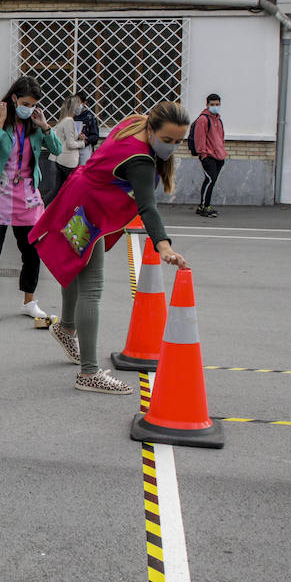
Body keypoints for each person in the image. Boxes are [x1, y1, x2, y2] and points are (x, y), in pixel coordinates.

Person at [29, 102, 190, 395]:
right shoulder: (141, 160)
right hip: (88, 210)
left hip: (79, 201)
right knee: (92, 287)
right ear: (152, 129)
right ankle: (89, 373)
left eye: (179, 141)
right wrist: (163, 245)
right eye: (168, 140)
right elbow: (148, 208)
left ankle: (66, 328)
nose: (172, 147)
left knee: (74, 266)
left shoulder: (136, 121)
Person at [0, 77, 62, 321]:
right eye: (25, 103)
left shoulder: (34, 122)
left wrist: (45, 126)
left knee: (32, 251)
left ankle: (29, 300)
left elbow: (57, 150)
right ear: (14, 98)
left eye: (34, 104)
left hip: (27, 196)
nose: (29, 108)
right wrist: (1, 122)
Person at [45, 95, 87, 204]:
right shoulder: (69, 121)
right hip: (67, 161)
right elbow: (70, 144)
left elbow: (65, 138)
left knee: (57, 189)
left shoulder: (63, 120)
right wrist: (82, 143)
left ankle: (44, 210)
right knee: (69, 189)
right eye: (79, 105)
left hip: (60, 159)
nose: (81, 107)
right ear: (74, 107)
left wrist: (78, 136)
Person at [193, 93, 227, 217]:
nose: (215, 107)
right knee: (210, 180)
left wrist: (222, 152)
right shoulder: (203, 119)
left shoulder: (218, 119)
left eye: (217, 104)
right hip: (208, 156)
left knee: (211, 181)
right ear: (207, 105)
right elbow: (199, 138)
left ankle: (206, 205)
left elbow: (220, 138)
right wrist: (203, 155)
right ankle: (204, 206)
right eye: (212, 104)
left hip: (219, 156)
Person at [74, 92, 101, 164]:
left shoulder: (90, 117)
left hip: (85, 148)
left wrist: (86, 139)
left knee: (84, 169)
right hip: (72, 148)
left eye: (78, 102)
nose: (76, 105)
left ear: (84, 103)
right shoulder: (71, 116)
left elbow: (95, 136)